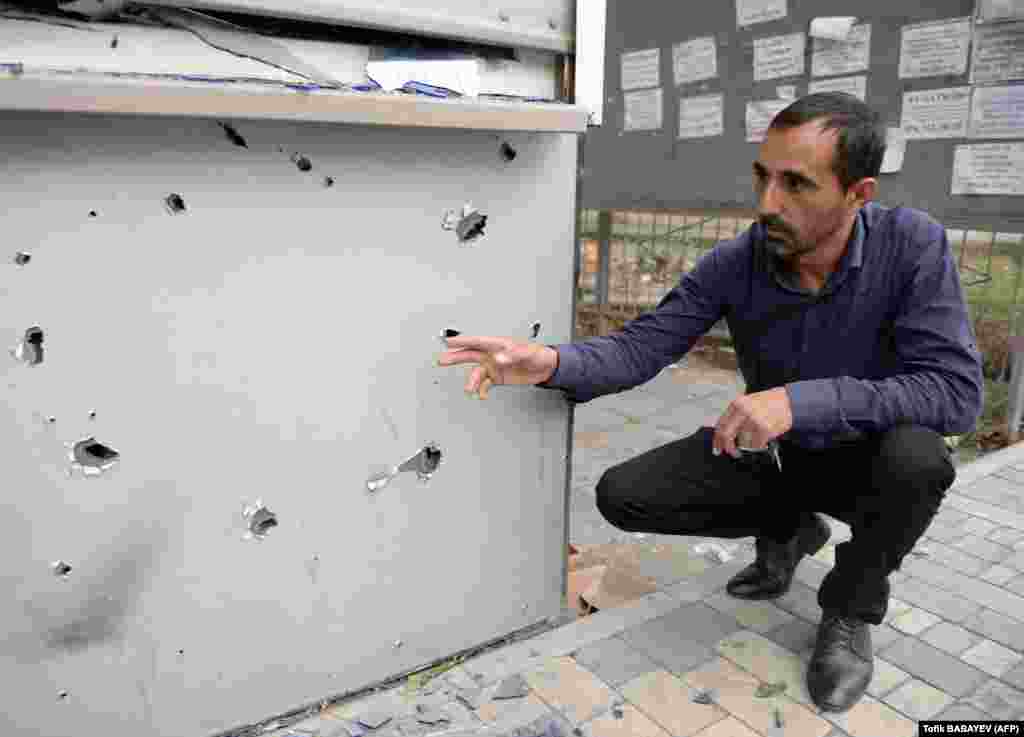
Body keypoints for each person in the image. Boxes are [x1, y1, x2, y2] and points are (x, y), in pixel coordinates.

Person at [436, 92, 983, 713]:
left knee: (921, 460)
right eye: (762, 177)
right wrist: (551, 364)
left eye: (796, 185)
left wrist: (801, 402)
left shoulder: (911, 246)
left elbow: (955, 393)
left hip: (871, 464)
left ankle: (850, 609)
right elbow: (643, 346)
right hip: (777, 458)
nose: (766, 203)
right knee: (624, 493)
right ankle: (791, 528)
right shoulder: (740, 260)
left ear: (858, 194)